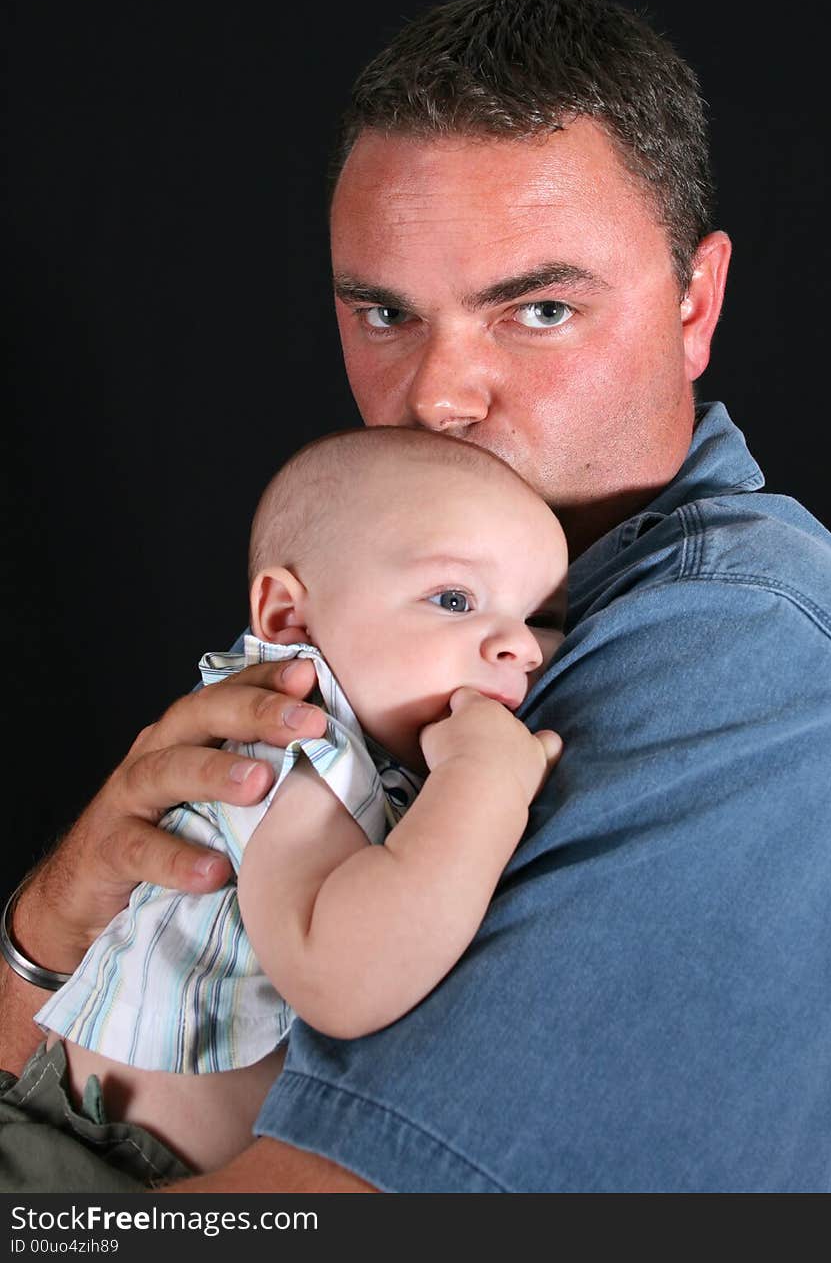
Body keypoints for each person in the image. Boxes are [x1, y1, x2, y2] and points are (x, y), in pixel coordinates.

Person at [2, 0, 831, 1194]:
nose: (438, 398)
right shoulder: (381, 609)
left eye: (539, 308)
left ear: (695, 305)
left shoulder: (743, 661)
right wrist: (52, 929)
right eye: (384, 313)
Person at [32, 426, 567, 1176]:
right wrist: (486, 785)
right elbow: (343, 981)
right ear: (290, 619)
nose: (522, 646)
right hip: (82, 1162)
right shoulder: (295, 744)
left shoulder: (381, 757)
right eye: (454, 598)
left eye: (543, 616)